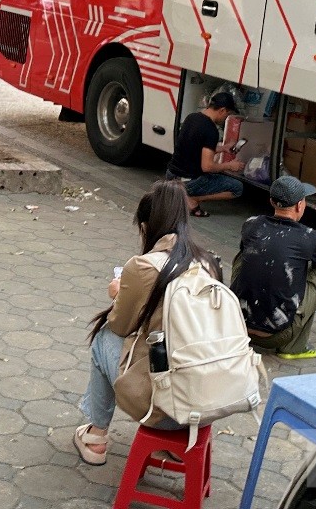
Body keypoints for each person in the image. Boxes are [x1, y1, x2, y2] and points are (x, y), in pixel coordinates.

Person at [74, 179, 220, 466]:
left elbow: (120, 327)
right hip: (209, 403)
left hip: (165, 410)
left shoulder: (144, 267)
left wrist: (118, 295)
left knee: (103, 337)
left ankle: (96, 435)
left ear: (145, 227)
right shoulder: (209, 263)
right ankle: (171, 447)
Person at [231, 175, 316, 360]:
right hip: (277, 336)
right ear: (299, 205)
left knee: (245, 255)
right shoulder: (311, 237)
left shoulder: (251, 224)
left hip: (237, 326)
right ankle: (294, 347)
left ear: (272, 201)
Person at [166, 91, 245, 217]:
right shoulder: (211, 130)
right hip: (188, 181)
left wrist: (223, 148)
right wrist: (230, 166)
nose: (225, 118)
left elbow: (195, 147)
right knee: (237, 188)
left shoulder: (191, 117)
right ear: (222, 110)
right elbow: (207, 167)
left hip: (171, 174)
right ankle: (191, 198)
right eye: (227, 114)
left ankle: (181, 193)